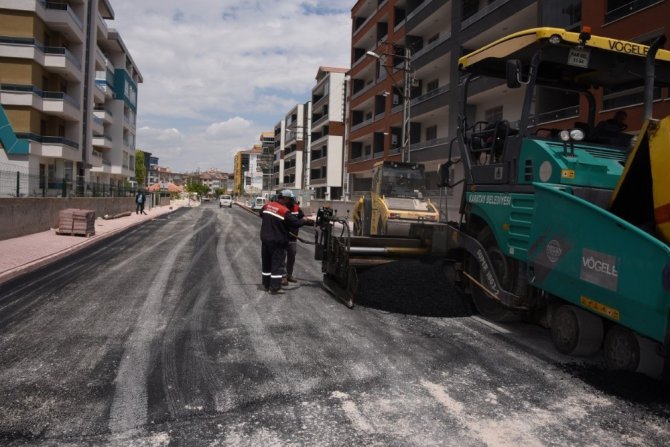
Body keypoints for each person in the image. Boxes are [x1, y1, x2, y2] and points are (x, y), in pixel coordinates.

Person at [259, 190, 313, 294]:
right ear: (285, 198)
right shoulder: (284, 211)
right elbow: (296, 223)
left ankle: (266, 285)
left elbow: (261, 214)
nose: (290, 202)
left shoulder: (267, 206)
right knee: (277, 264)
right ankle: (274, 287)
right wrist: (305, 220)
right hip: (277, 242)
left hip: (265, 240)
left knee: (266, 263)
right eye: (290, 199)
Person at [281, 198, 305, 286]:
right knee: (282, 257)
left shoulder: (296, 208)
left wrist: (311, 222)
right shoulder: (282, 208)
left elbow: (302, 218)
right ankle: (283, 276)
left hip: (293, 238)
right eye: (289, 200)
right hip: (283, 237)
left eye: (291, 200)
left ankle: (289, 275)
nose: (290, 202)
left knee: (291, 257)